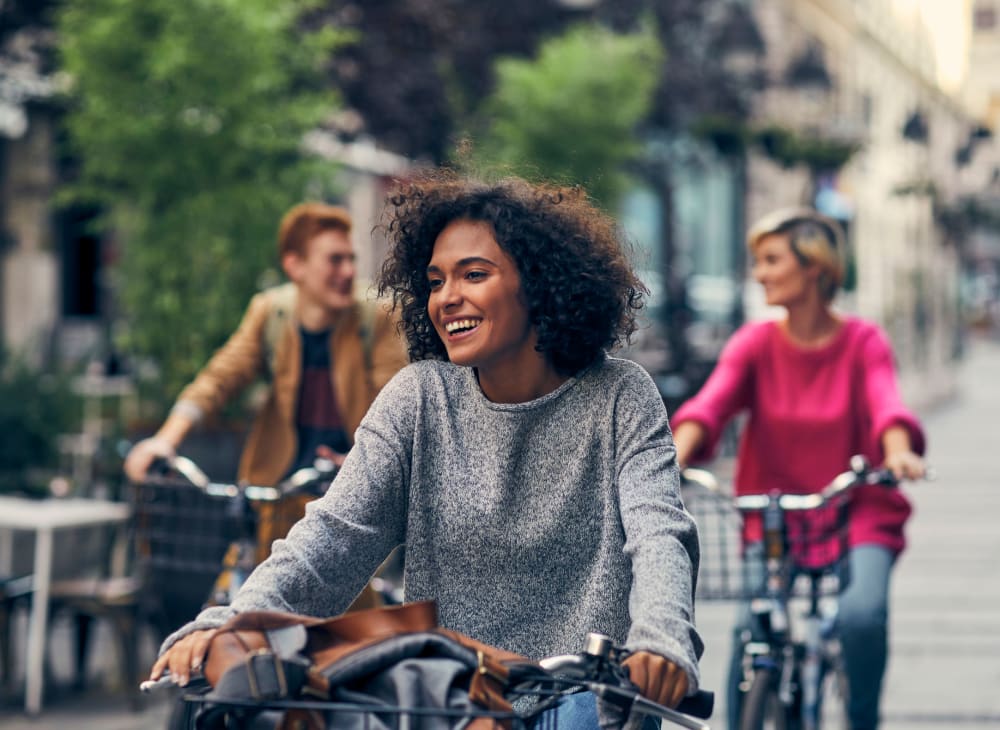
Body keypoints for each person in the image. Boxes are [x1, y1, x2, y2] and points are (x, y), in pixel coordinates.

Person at [148, 173, 704, 726]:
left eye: (474, 274)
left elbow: (659, 532)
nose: (447, 298)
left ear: (538, 283)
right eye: (436, 281)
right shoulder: (420, 397)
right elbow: (330, 541)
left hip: (584, 701)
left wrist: (660, 640)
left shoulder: (621, 396)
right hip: (452, 702)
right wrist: (228, 621)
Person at [670, 207, 926, 730]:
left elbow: (886, 405)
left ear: (814, 267)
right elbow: (709, 406)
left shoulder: (862, 342)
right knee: (750, 630)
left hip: (857, 509)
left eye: (771, 261)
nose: (759, 273)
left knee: (860, 617)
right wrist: (672, 456)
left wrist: (898, 451)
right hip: (775, 518)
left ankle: (862, 718)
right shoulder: (755, 343)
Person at [124, 203, 409, 602]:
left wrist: (371, 459)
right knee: (250, 606)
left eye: (350, 259)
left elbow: (395, 400)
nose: (347, 271)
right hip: (278, 486)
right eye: (334, 260)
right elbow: (220, 378)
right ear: (296, 267)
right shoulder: (271, 313)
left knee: (343, 613)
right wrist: (166, 440)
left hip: (346, 488)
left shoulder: (374, 317)